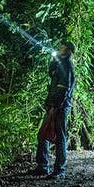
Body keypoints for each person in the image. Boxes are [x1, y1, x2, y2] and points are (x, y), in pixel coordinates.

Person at [30, 41, 76, 179]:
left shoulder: (67, 65)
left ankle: (59, 170)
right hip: (53, 104)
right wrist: (54, 60)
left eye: (62, 47)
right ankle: (42, 166)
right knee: (43, 134)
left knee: (60, 137)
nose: (59, 48)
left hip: (60, 106)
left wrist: (56, 105)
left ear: (67, 50)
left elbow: (65, 88)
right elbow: (51, 74)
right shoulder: (60, 63)